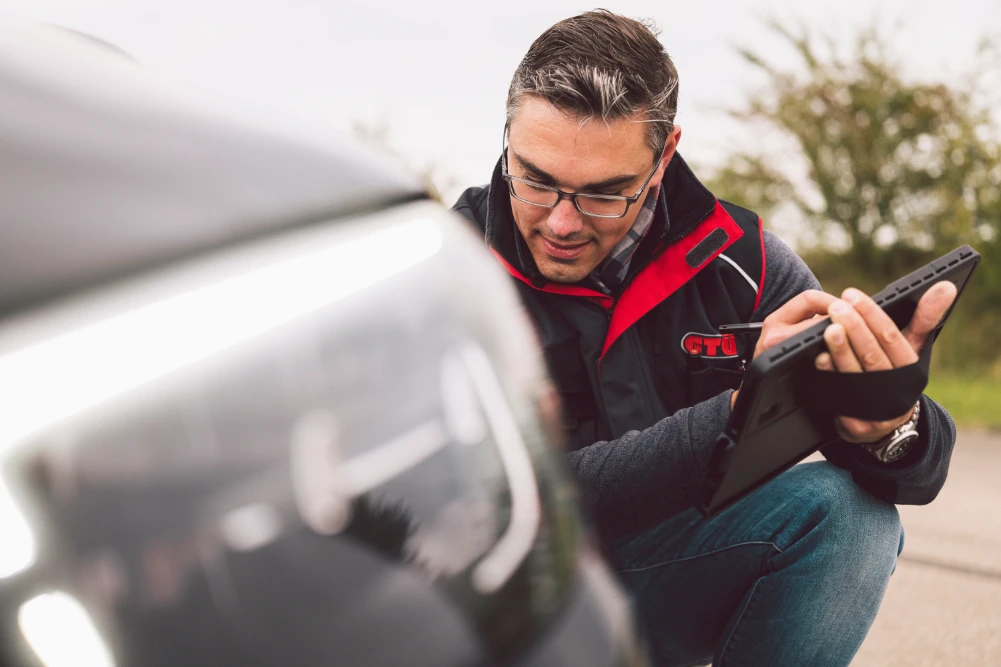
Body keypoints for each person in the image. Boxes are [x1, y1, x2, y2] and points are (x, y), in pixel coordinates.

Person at [452, 10, 958, 667]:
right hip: (503, 614)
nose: (562, 221)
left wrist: (889, 423)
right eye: (535, 178)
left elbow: (919, 469)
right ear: (508, 133)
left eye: (605, 194)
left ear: (662, 156)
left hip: (656, 590)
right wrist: (730, 415)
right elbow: (491, 506)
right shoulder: (443, 272)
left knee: (850, 519)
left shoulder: (743, 264)